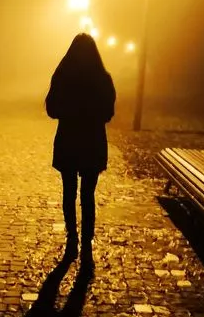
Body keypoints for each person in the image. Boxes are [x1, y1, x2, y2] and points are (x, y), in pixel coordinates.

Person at [45, 33, 116, 266]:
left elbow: (52, 109)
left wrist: (70, 112)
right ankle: (86, 244)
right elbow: (108, 114)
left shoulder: (63, 75)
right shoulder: (103, 78)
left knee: (69, 192)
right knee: (88, 195)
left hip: (69, 139)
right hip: (92, 142)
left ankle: (72, 238)